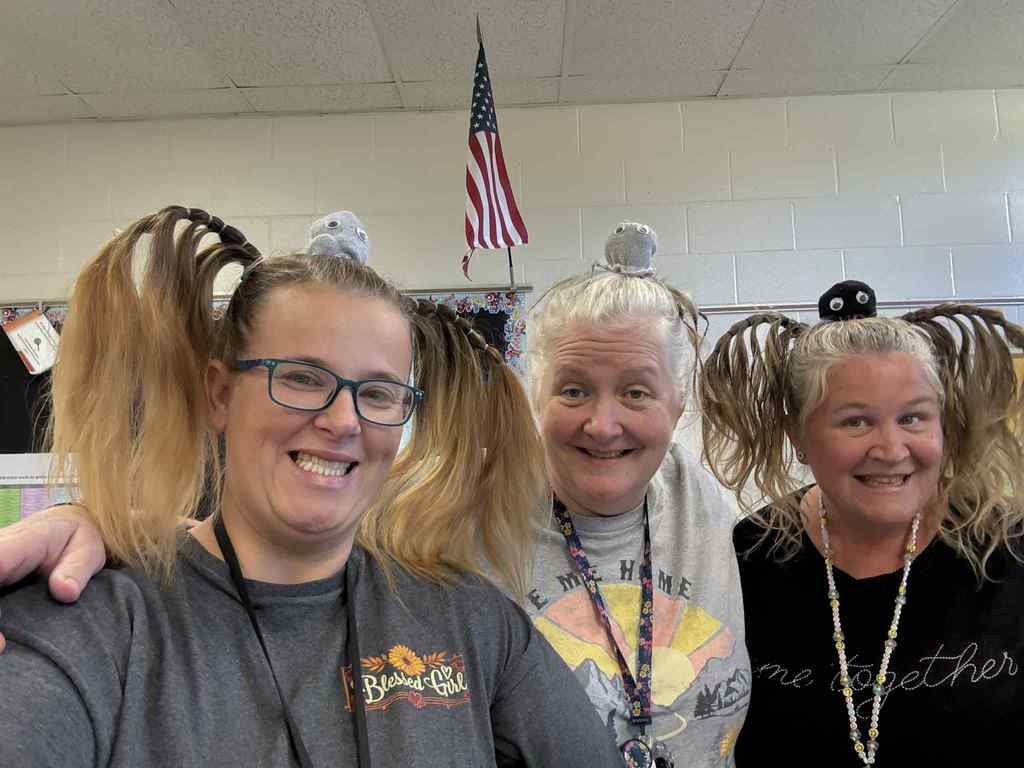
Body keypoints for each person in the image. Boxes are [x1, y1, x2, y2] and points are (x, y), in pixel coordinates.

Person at [0, 221, 749, 768]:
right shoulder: (93, 622)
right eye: (300, 376)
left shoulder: (467, 617)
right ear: (219, 394)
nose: (341, 420)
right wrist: (105, 521)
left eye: (380, 393)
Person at [699, 280, 1024, 766]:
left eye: (913, 419)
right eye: (855, 422)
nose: (891, 450)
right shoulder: (750, 554)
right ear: (799, 435)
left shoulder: (1007, 549)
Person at [523, 222, 749, 768]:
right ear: (538, 397)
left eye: (636, 392)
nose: (603, 425)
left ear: (676, 405)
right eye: (574, 390)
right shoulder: (473, 525)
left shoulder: (714, 511)